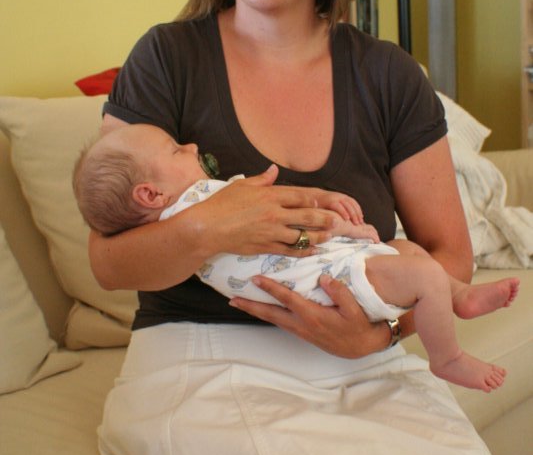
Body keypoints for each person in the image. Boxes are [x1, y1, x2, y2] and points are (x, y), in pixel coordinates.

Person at [89, 0, 527, 455]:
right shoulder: (167, 58)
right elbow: (108, 261)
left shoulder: (388, 75)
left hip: (364, 360)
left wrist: (380, 332)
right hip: (209, 363)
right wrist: (215, 224)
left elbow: (448, 255)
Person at [75, 122, 519, 392]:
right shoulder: (198, 202)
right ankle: (447, 357)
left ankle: (458, 295)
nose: (191, 147)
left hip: (327, 275)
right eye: (176, 150)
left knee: (412, 255)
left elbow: (280, 219)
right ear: (150, 194)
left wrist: (328, 211)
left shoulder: (180, 222)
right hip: (328, 283)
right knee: (422, 273)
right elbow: (287, 220)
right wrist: (340, 221)